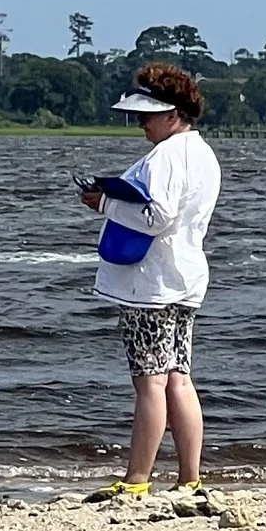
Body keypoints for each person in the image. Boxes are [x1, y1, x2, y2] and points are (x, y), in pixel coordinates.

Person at [75, 61, 220, 499]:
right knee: (178, 376)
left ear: (173, 114)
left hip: (151, 283)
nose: (141, 124)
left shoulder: (166, 157)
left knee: (150, 380)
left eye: (147, 115)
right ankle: (189, 476)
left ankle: (138, 478)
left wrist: (104, 205)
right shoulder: (204, 154)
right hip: (187, 276)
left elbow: (157, 216)